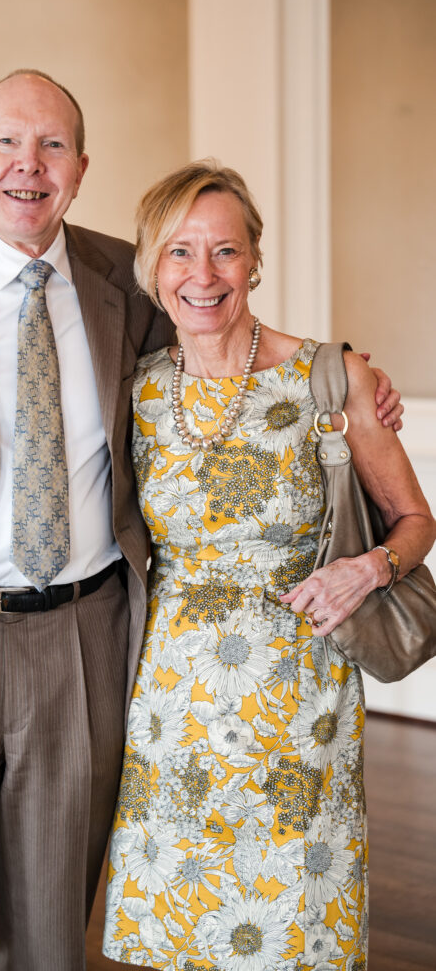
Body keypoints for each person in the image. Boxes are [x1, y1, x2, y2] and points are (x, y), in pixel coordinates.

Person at [0, 71, 401, 971]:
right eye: (7, 143)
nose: (28, 166)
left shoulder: (128, 283)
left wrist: (353, 374)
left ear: (80, 168)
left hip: (84, 643)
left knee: (52, 936)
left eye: (51, 146)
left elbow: (226, 342)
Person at [102, 159, 435, 970]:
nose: (203, 275)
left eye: (224, 251)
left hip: (299, 703)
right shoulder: (133, 389)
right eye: (180, 252)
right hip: (168, 705)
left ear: (255, 258)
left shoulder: (331, 376)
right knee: (180, 923)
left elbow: (414, 520)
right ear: (152, 266)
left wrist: (370, 569)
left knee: (291, 926)